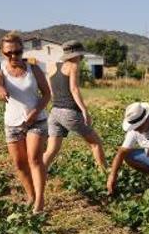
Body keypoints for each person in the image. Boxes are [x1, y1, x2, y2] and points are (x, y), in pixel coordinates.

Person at [0, 31, 51, 214]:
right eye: (9, 53)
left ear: (22, 51)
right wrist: (0, 90)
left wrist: (36, 111)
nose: (13, 56)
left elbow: (47, 94)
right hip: (12, 124)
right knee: (19, 164)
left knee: (34, 159)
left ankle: (39, 202)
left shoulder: (34, 70)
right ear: (2, 53)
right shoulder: (0, 73)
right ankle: (31, 195)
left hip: (36, 121)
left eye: (17, 52)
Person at [42, 41, 106, 170]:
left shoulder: (51, 66)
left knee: (51, 150)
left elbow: (51, 90)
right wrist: (84, 111)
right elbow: (74, 89)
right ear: (76, 55)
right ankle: (104, 175)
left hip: (54, 112)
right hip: (69, 112)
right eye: (80, 55)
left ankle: (37, 173)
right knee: (96, 143)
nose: (81, 58)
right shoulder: (73, 66)